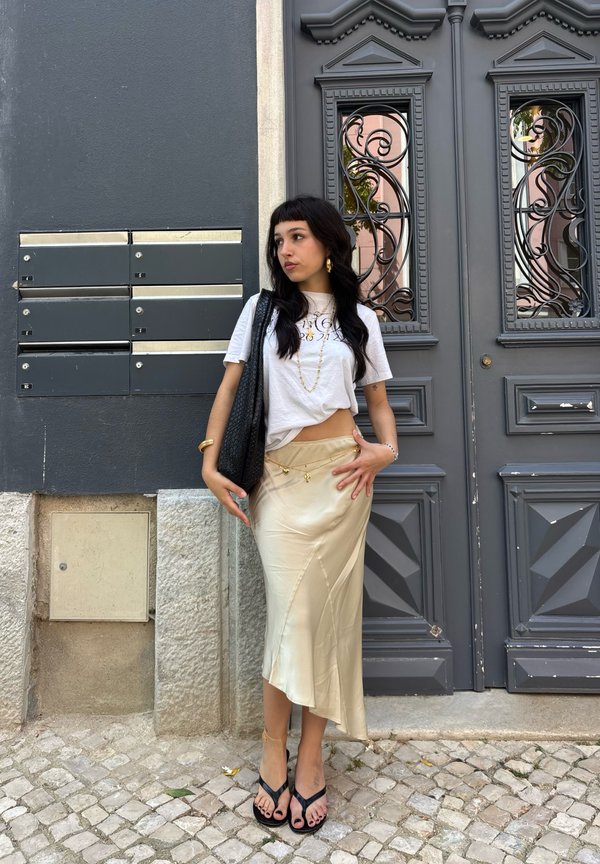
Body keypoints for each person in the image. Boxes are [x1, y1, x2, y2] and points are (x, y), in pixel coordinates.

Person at [199, 195, 397, 834]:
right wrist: (210, 461)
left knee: (327, 624)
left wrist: (385, 452)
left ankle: (310, 757)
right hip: (280, 483)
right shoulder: (259, 312)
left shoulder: (360, 318)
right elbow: (230, 387)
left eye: (297, 237)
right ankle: (269, 748)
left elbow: (378, 405)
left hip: (342, 479)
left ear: (329, 245)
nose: (284, 250)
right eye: (278, 240)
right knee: (292, 617)